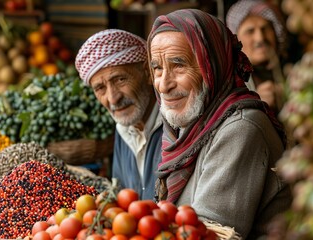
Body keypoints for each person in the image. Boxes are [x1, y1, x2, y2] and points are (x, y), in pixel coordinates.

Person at [147, 9, 292, 239]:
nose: (164, 84)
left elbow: (208, 232)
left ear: (212, 66)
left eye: (178, 65)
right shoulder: (189, 123)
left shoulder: (241, 127)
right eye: (157, 68)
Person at [75, 29, 163, 200]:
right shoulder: (123, 129)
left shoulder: (176, 128)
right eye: (100, 88)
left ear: (147, 72)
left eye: (120, 80)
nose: (113, 98)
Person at [226, 0, 287, 114]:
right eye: (250, 31)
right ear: (236, 40)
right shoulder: (230, 84)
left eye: (265, 29)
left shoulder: (293, 70)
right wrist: (254, 105)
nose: (260, 38)